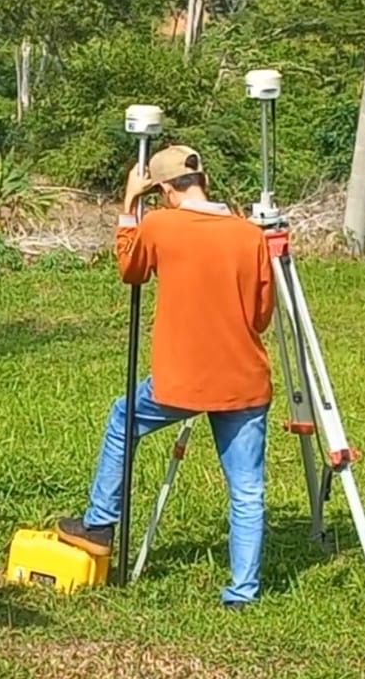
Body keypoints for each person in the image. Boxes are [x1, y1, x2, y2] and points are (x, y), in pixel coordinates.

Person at [55, 144, 276, 609]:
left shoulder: (159, 224)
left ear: (164, 191)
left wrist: (129, 205)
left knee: (123, 420)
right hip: (244, 380)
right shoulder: (249, 235)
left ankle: (99, 523)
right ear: (204, 181)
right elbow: (260, 316)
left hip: (182, 379)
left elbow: (130, 268)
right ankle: (242, 592)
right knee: (248, 490)